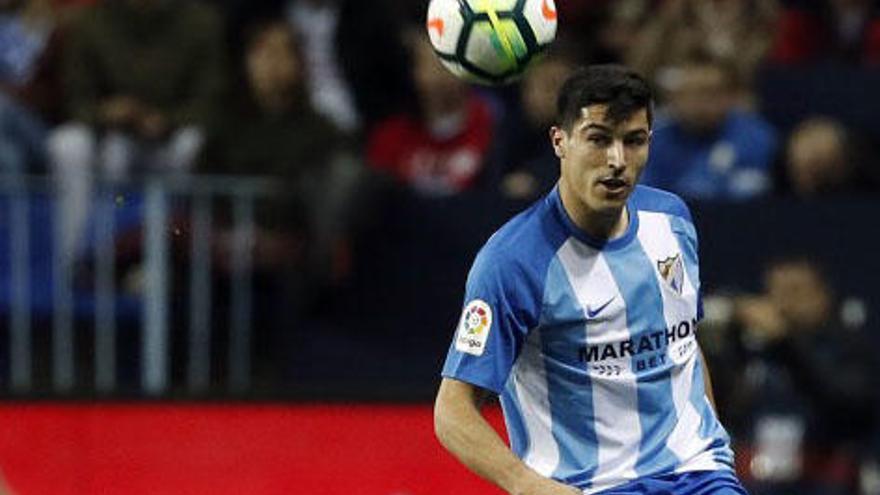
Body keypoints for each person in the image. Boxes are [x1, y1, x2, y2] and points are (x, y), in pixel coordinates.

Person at [434, 65, 746, 494]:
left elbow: (684, 344)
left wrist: (714, 448)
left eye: (633, 141)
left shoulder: (672, 220)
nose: (617, 160)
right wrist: (527, 484)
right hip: (591, 486)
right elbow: (452, 411)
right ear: (560, 141)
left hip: (699, 475)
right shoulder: (513, 262)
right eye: (599, 139)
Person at [639, 54, 778, 201]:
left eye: (711, 93)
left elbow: (751, 192)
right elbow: (643, 194)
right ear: (675, 97)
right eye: (691, 93)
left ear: (731, 96)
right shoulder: (653, 137)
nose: (700, 102)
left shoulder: (755, 136)